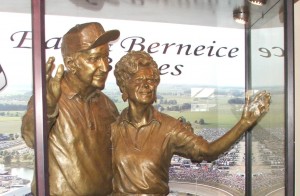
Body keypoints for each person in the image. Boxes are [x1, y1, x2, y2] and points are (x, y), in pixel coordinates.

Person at [111, 51, 271, 195]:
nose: (146, 85)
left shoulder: (169, 128)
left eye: (151, 80)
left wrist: (243, 123)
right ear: (124, 85)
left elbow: (208, 151)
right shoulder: (112, 128)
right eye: (139, 80)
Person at [21, 22, 120, 196]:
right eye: (94, 59)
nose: (105, 67)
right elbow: (30, 138)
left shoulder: (108, 106)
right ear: (70, 63)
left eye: (106, 57)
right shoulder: (50, 98)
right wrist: (46, 107)